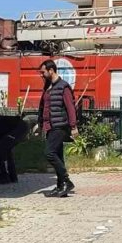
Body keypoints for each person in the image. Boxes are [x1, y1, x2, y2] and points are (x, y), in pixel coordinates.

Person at [34, 60, 79, 198]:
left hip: (60, 126)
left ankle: (66, 180)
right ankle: (61, 186)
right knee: (58, 155)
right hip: (50, 126)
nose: (42, 75)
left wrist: (73, 126)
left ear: (51, 70)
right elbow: (43, 108)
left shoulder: (63, 87)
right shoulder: (48, 87)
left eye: (43, 72)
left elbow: (70, 107)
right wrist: (40, 124)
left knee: (49, 153)